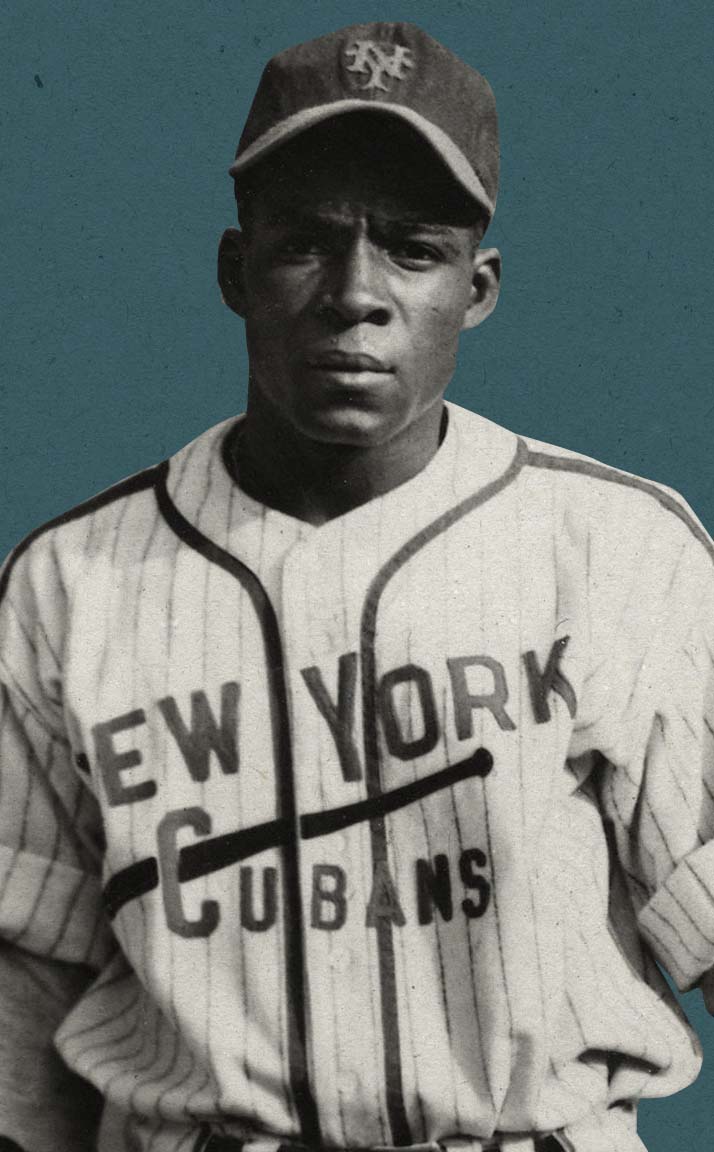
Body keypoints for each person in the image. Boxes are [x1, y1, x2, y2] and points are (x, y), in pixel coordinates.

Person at [0, 21, 713, 1152]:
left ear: (476, 291)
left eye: (412, 249)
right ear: (237, 271)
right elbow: (26, 998)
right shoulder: (69, 585)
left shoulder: (619, 550)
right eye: (307, 243)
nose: (355, 295)